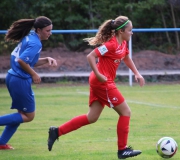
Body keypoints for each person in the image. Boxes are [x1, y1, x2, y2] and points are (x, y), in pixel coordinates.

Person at [47, 15, 145, 159]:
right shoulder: (110, 45)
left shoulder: (122, 44)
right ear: (121, 31)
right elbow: (91, 56)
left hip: (101, 81)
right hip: (102, 82)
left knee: (91, 117)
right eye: (130, 30)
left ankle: (56, 132)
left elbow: (126, 58)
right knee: (126, 112)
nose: (132, 33)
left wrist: (137, 73)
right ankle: (122, 150)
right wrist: (98, 74)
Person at [0, 16, 57, 150]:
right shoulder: (35, 43)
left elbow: (29, 60)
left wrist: (46, 59)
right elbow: (21, 61)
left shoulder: (31, 36)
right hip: (20, 80)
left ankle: (2, 142)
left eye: (51, 30)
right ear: (38, 30)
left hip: (13, 77)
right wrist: (33, 74)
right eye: (47, 30)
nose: (50, 33)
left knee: (21, 114)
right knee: (28, 116)